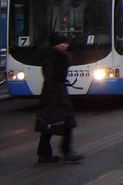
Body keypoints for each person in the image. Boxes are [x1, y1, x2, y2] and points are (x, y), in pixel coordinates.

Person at [35, 32, 83, 163]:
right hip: (55, 94)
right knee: (56, 122)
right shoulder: (52, 59)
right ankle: (66, 151)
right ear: (56, 45)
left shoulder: (57, 56)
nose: (66, 45)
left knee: (51, 123)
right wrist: (52, 98)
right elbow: (50, 80)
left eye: (66, 43)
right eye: (63, 43)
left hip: (57, 92)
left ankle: (45, 153)